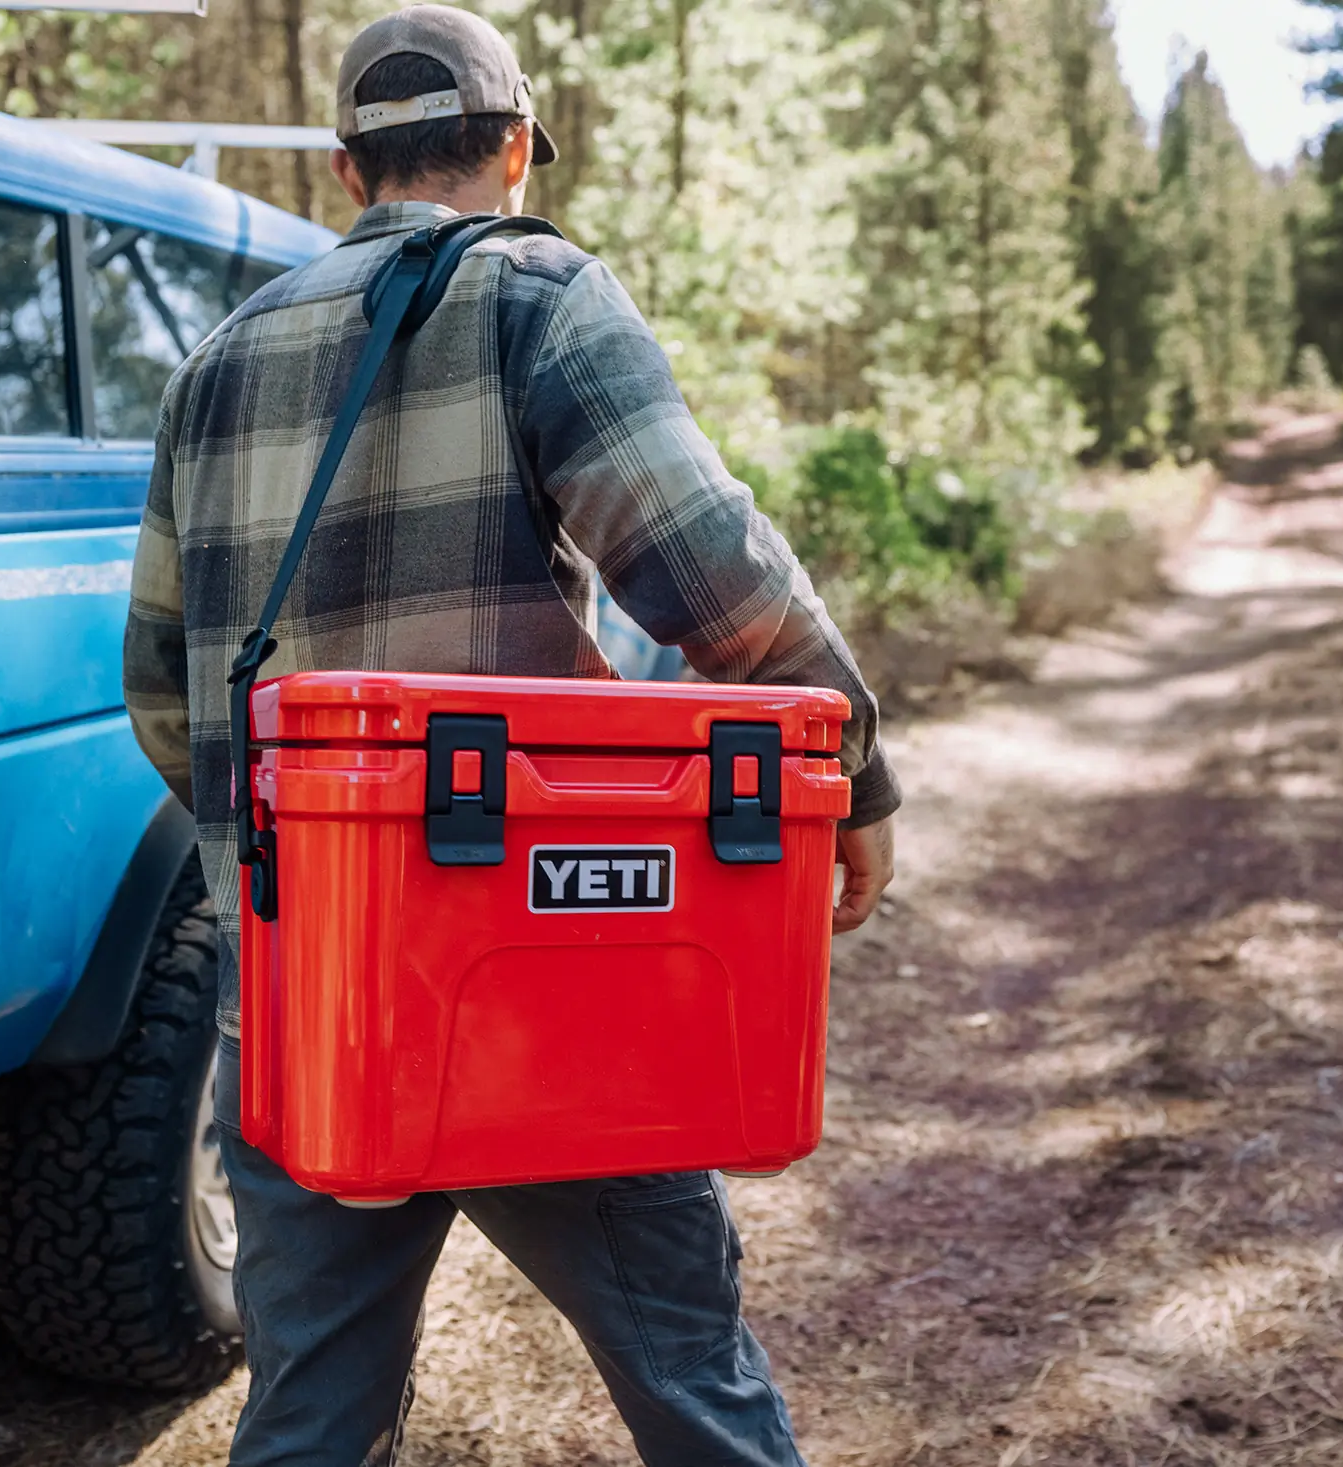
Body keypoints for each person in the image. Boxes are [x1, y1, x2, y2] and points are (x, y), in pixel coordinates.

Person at [123, 8, 899, 1462]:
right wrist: (851, 778)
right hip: (536, 992)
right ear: (520, 148)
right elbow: (715, 577)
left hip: (303, 1005)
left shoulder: (214, 361)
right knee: (693, 1389)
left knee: (309, 1416)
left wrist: (297, 864)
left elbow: (166, 690)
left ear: (347, 171)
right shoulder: (538, 295)